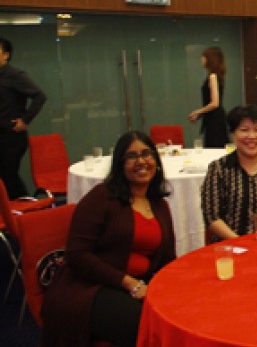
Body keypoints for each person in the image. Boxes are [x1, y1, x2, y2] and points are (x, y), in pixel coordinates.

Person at [41, 131, 176, 346]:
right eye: (131, 156)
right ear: (120, 165)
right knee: (149, 326)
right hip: (89, 289)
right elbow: (77, 255)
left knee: (180, 315)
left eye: (146, 154)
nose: (141, 161)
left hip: (138, 286)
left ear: (156, 162)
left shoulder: (159, 204)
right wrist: (129, 283)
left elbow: (167, 258)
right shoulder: (102, 197)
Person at [201, 105, 257, 240]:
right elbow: (211, 216)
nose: (251, 136)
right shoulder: (219, 169)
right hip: (230, 247)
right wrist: (241, 242)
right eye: (244, 130)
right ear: (233, 134)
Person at [0, 37, 47, 199]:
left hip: (11, 136)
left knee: (8, 175)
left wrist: (25, 120)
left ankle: (28, 210)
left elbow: (39, 96)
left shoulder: (14, 75)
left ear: (6, 55)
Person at [188, 46, 229, 148]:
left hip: (215, 119)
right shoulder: (215, 75)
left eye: (204, 56)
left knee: (214, 146)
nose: (202, 59)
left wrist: (198, 111)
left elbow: (215, 103)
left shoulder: (213, 76)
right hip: (214, 117)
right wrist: (200, 114)